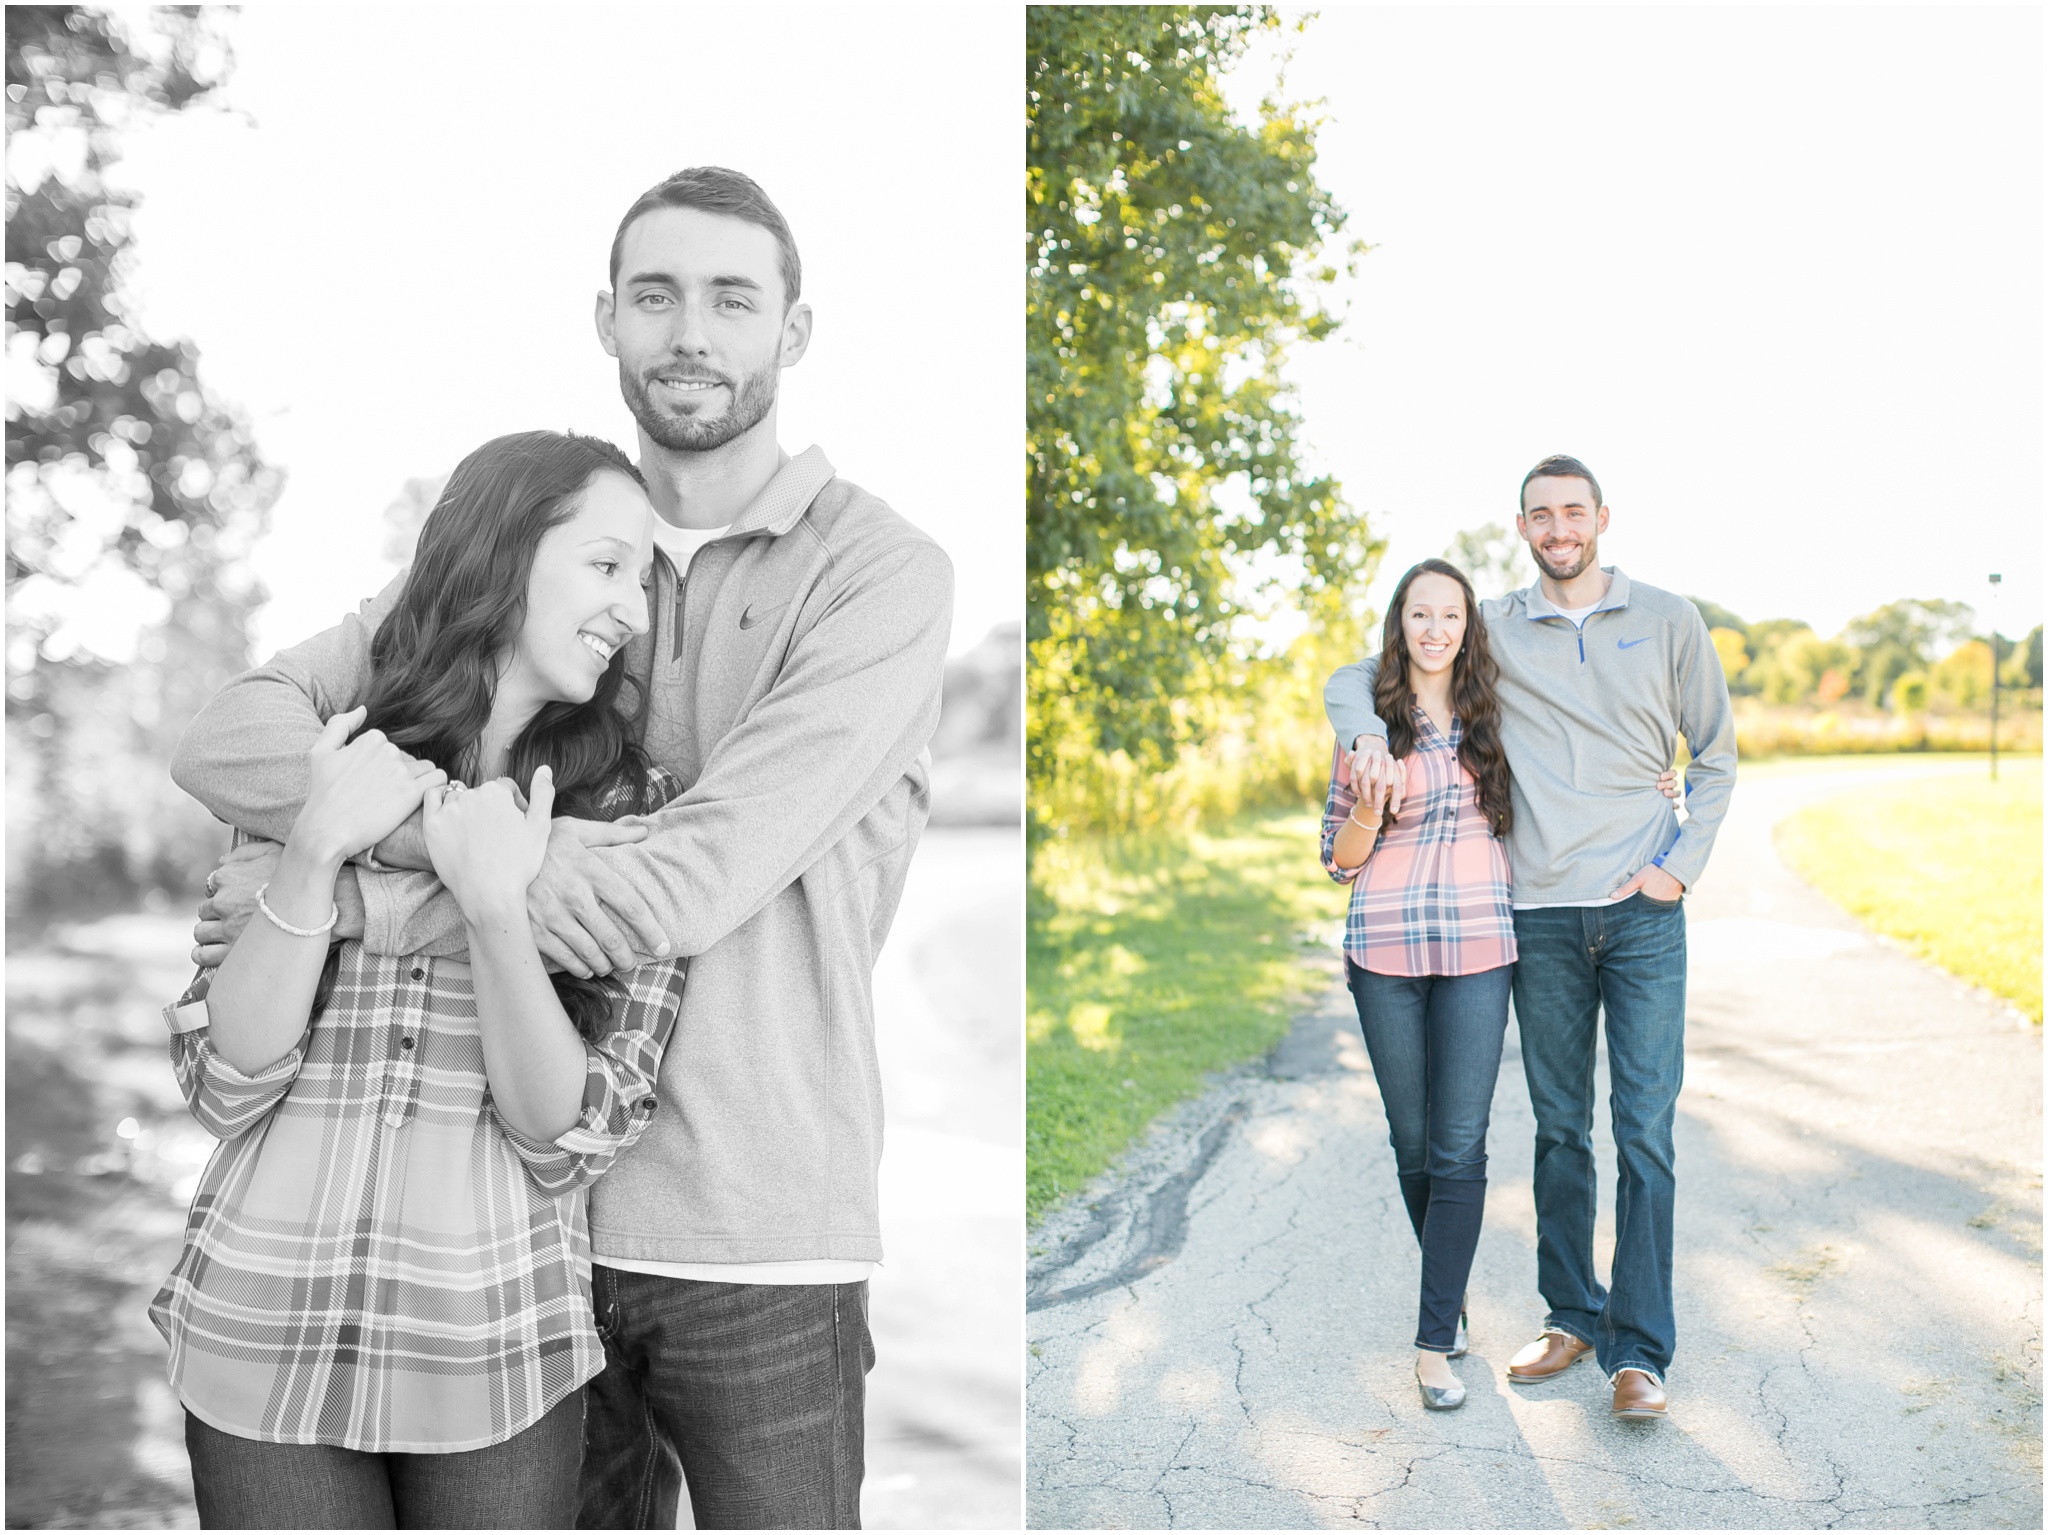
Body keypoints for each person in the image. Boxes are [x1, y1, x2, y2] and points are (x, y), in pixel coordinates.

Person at [169, 168, 953, 1528]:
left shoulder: (879, 570)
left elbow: (681, 880)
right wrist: (417, 832)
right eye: (656, 295)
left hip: (755, 1227)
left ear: (795, 331)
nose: (691, 333)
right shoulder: (548, 540)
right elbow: (234, 739)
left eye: (732, 298)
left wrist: (361, 901)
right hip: (518, 1243)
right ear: (606, 320)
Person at [152, 431, 686, 1528]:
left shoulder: (631, 816)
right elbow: (226, 1083)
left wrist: (495, 909)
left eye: (642, 578)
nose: (631, 609)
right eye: (603, 565)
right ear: (502, 554)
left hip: (492, 1352)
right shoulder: (332, 759)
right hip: (259, 1330)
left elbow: (564, 1133)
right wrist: (310, 855)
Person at [1325, 455, 1735, 1422]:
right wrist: (1363, 738)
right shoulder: (1495, 624)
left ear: (1602, 518)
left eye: (1574, 512)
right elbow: (1367, 668)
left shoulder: (1669, 620)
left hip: (1643, 912)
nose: (1559, 528)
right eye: (1541, 515)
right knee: (1559, 1130)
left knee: (1642, 1130)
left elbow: (1714, 756)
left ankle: (1639, 1352)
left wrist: (1679, 867)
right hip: (1538, 914)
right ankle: (1572, 1315)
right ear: (1521, 528)